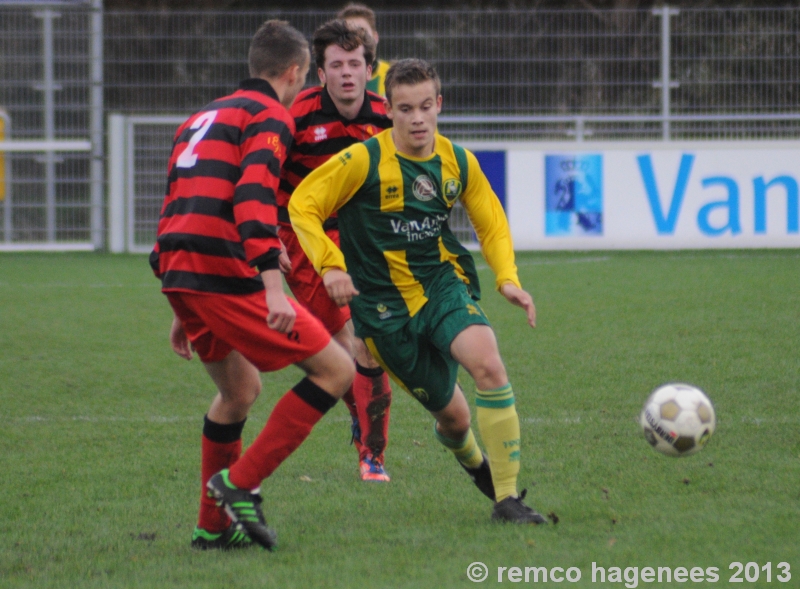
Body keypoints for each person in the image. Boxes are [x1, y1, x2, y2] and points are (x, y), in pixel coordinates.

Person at [289, 58, 549, 524]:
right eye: (406, 108)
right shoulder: (361, 160)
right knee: (456, 420)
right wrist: (329, 266)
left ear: (439, 105)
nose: (417, 119)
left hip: (440, 284)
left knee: (488, 363)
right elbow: (303, 204)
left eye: (426, 107)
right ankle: (475, 465)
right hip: (383, 311)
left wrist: (507, 279)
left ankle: (507, 499)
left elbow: (489, 219)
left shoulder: (456, 159)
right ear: (388, 109)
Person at [149, 19, 355, 551]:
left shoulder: (199, 116)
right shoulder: (270, 115)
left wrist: (181, 300)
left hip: (182, 267)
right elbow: (252, 196)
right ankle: (237, 486)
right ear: (294, 73)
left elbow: (183, 200)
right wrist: (273, 286)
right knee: (336, 368)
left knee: (238, 392)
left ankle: (210, 530)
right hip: (221, 272)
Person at [277, 19, 394, 482]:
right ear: (321, 74)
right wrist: (267, 238)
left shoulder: (388, 117)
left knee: (367, 344)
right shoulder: (296, 116)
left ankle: (373, 454)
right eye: (336, 65)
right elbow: (263, 180)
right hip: (302, 235)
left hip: (361, 237)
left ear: (370, 69)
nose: (347, 73)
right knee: (344, 350)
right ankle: (361, 414)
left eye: (355, 64)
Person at [337, 3, 391, 97]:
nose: (357, 38)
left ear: (375, 37)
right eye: (349, 33)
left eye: (362, 32)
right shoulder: (332, 79)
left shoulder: (391, 75)